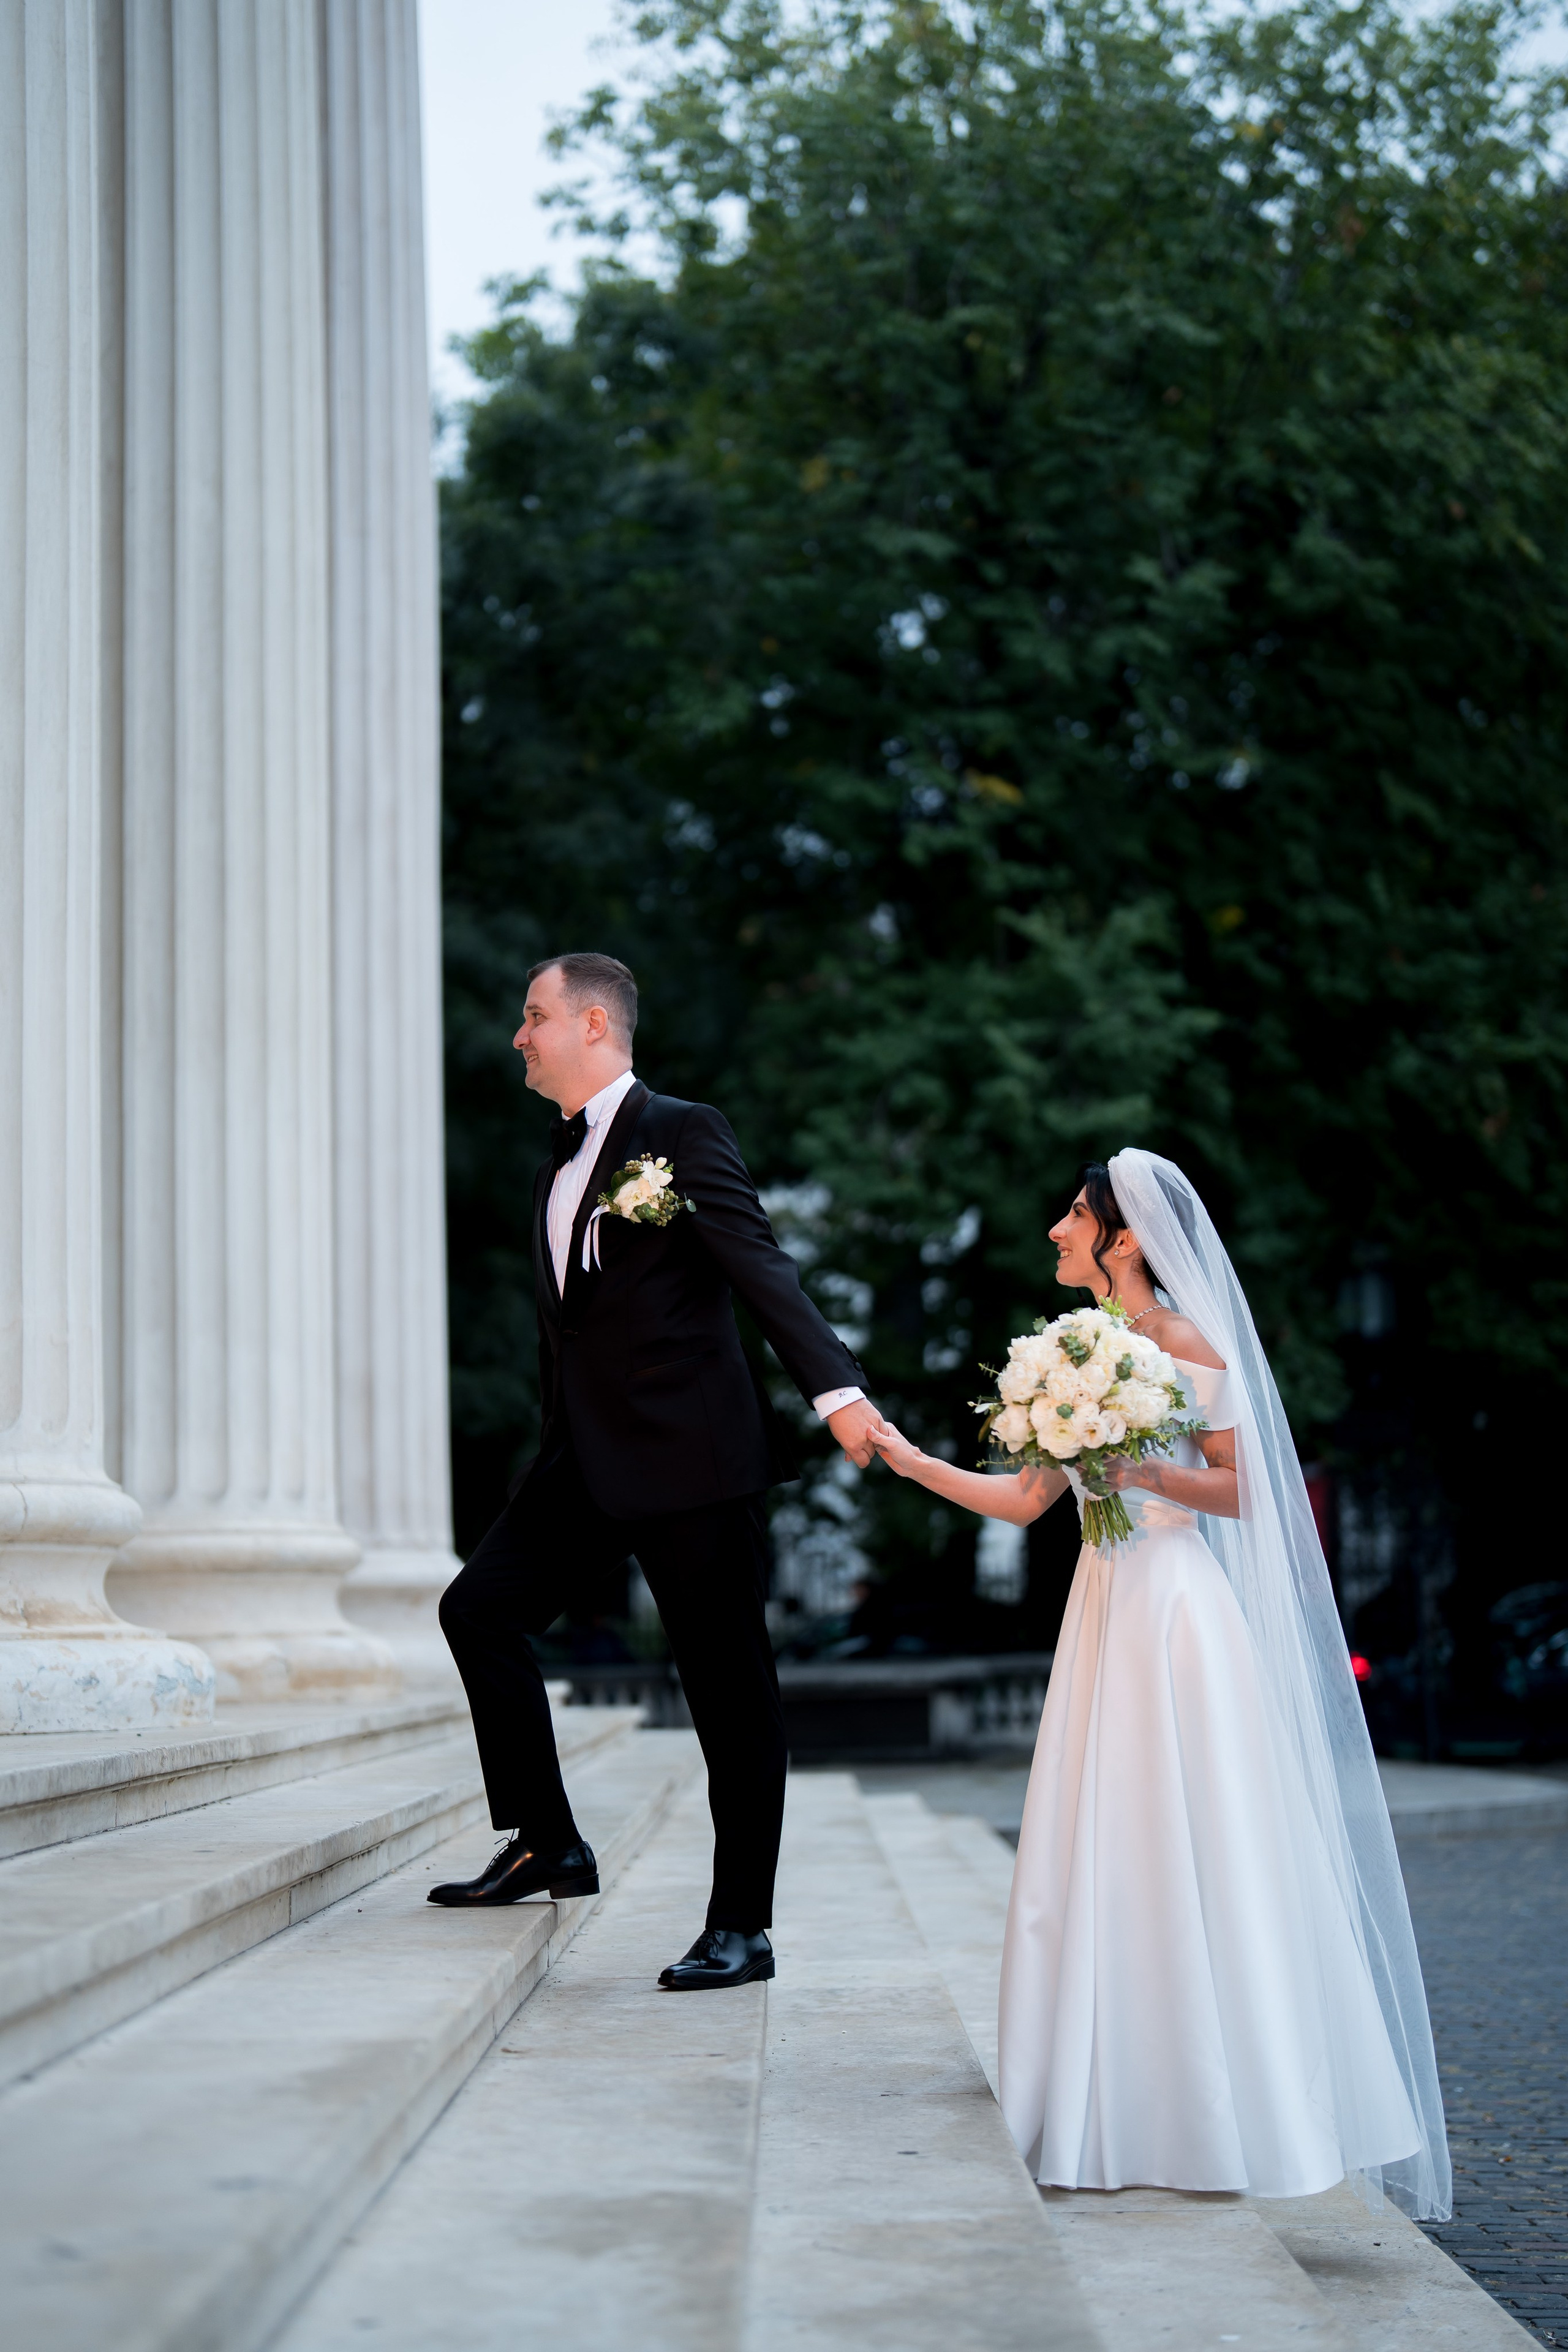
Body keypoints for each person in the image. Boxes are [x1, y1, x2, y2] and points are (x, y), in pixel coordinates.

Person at [870, 1150, 1451, 2218]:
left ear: (1123, 1237)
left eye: (1072, 1215)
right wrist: (907, 1459)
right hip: (1103, 1607)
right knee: (1102, 1844)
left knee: (1197, 1845)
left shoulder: (1183, 1340)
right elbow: (1026, 1501)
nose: (1055, 1229)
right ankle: (1106, 2090)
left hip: (1177, 1610)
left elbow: (1245, 1490)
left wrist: (1139, 1469)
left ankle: (1217, 2104)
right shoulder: (1072, 1351)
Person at [431, 953, 886, 1990]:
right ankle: (548, 1840)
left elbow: (758, 1261)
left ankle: (744, 1927)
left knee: (730, 1697)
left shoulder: (682, 1132)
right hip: (584, 1461)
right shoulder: (554, 1165)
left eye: (533, 1016)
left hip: (692, 1462)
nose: (519, 1036)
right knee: (478, 1611)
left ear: (593, 1024)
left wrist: (838, 1394)